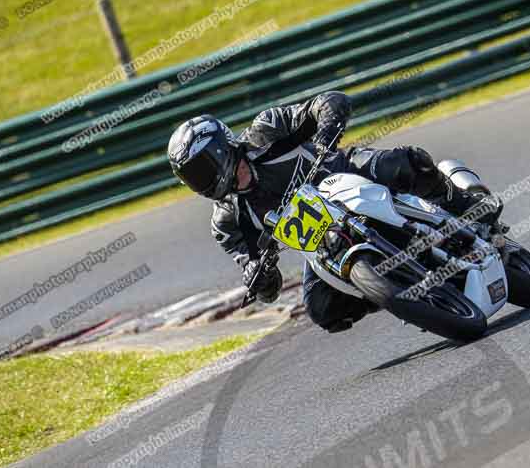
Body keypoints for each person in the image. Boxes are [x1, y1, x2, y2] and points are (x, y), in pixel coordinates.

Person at [167, 91, 501, 333]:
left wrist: (327, 128)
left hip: (349, 174)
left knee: (406, 162)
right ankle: (402, 291)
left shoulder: (266, 131)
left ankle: (465, 205)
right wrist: (259, 275)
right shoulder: (228, 222)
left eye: (202, 168)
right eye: (192, 177)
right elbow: (263, 283)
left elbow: (329, 102)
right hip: (329, 244)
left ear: (222, 149)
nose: (202, 182)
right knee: (323, 310)